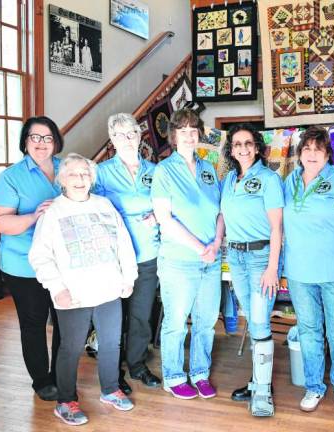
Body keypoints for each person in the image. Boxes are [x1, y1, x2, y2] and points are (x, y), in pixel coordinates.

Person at [29, 153, 138, 426]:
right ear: (62, 180)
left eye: (85, 174)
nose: (80, 179)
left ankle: (110, 389)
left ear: (92, 178)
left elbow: (123, 243)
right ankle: (66, 400)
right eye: (74, 174)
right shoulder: (53, 212)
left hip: (109, 288)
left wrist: (129, 277)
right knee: (71, 347)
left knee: (111, 343)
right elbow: (40, 256)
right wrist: (57, 288)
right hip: (73, 293)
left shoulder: (104, 205)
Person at [283, 126, 334, 415]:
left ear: (328, 154)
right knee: (308, 331)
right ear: (299, 154)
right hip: (298, 274)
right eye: (307, 149)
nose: (312, 154)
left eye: (318, 149)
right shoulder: (290, 181)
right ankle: (314, 386)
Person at [151, 108, 223, 400]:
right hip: (180, 261)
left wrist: (216, 243)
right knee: (177, 322)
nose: (190, 136)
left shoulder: (208, 168)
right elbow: (164, 218)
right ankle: (174, 375)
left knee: (206, 321)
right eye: (183, 131)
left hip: (211, 259)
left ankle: (200, 372)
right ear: (173, 136)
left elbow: (220, 211)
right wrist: (199, 248)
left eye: (194, 130)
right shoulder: (163, 170)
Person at [0, 116, 63, 401]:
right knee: (33, 323)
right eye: (35, 137)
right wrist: (35, 216)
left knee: (65, 322)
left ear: (55, 141)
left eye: (47, 137)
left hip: (64, 263)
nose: (41, 143)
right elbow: (0, 223)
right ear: (25, 141)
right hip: (24, 264)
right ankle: (42, 380)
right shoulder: (11, 177)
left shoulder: (68, 168)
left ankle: (60, 373)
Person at [94, 113, 162, 394]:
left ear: (140, 135)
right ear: (112, 139)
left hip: (148, 253)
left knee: (141, 314)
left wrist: (157, 215)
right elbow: (95, 208)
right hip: (114, 257)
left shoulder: (154, 170)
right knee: (113, 317)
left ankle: (136, 364)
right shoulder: (100, 171)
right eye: (120, 134)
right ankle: (113, 371)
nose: (127, 139)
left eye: (132, 133)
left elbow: (168, 204)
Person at [220, 124, 283, 417]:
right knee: (252, 320)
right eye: (237, 144)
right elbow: (223, 214)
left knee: (259, 321)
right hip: (236, 256)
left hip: (261, 258)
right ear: (231, 150)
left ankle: (262, 393)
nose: (242, 148)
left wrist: (272, 267)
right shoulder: (229, 178)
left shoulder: (269, 179)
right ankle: (257, 380)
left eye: (248, 143)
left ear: (256, 147)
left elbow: (277, 227)